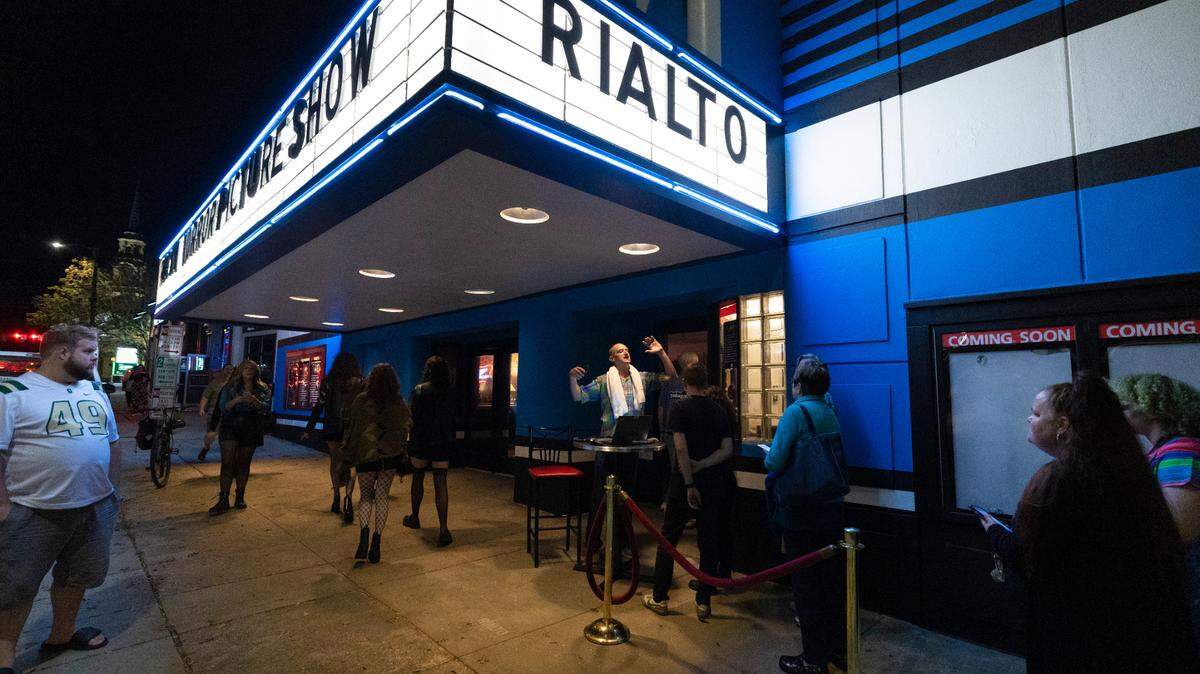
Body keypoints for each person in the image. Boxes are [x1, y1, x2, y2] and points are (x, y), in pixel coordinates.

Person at [978, 374, 1197, 672]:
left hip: (1075, 629)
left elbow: (1178, 533)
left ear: (1063, 425)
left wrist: (996, 534)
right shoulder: (1119, 465)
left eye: (1037, 413)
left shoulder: (1058, 480)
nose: (1029, 418)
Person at [0, 324, 121, 670]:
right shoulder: (14, 392)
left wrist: (112, 493)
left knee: (77, 577)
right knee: (15, 586)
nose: (96, 357)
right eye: (89, 351)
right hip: (34, 510)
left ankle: (61, 635)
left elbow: (112, 442)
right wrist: (2, 505)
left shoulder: (94, 391)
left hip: (94, 508)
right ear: (62, 352)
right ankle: (5, 657)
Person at [767, 354, 847, 674]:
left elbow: (774, 462)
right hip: (832, 507)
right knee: (830, 583)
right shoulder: (830, 410)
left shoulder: (795, 413)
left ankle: (813, 658)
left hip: (802, 511)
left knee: (806, 585)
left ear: (798, 383)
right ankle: (836, 649)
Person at [570, 337, 677, 569]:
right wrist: (572, 378)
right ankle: (593, 546)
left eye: (627, 350)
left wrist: (661, 354)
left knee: (626, 498)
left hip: (632, 446)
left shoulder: (642, 377)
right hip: (608, 445)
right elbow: (579, 397)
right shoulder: (603, 381)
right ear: (612, 358)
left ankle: (622, 545)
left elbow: (672, 378)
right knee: (600, 497)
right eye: (620, 351)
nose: (626, 353)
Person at [642, 362, 735, 621]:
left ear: (685, 383)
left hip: (682, 483)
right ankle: (704, 601)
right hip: (713, 482)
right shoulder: (719, 410)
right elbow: (727, 450)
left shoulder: (680, 408)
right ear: (706, 383)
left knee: (668, 538)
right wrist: (704, 464)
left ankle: (660, 597)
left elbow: (681, 449)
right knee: (708, 541)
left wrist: (689, 481)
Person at [1113, 373, 1200, 646]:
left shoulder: (1179, 451)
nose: (1119, 414)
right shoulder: (1167, 449)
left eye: (1125, 406)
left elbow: (1182, 530)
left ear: (1151, 409)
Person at [341, 363, 411, 563]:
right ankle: (377, 542)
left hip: (366, 456)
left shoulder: (362, 401)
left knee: (365, 498)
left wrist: (348, 455)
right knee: (382, 497)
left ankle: (363, 535)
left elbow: (353, 430)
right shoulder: (399, 403)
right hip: (389, 457)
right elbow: (404, 429)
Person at [302, 353, 363, 523]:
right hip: (352, 428)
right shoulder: (361, 382)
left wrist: (309, 428)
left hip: (332, 427)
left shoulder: (328, 382)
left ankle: (336, 497)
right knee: (351, 463)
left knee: (335, 461)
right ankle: (348, 498)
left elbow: (319, 405)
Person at [403, 356, 456, 547]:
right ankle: (443, 529)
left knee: (417, 478)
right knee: (441, 483)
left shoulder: (419, 390)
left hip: (421, 440)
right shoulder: (450, 391)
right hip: (442, 441)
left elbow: (412, 416)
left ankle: (415, 517)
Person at [208, 359, 271, 515]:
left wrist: (255, 401)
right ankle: (223, 499)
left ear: (256, 371)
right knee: (227, 463)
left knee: (243, 463)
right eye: (246, 368)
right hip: (231, 426)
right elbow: (222, 407)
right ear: (240, 370)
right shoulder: (229, 387)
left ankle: (240, 496)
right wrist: (236, 400)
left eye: (252, 368)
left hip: (250, 427)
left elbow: (265, 409)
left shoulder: (263, 388)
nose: (248, 370)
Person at [657, 352, 700, 506]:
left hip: (670, 432)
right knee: (684, 466)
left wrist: (662, 430)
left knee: (674, 466)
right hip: (687, 433)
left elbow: (661, 408)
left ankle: (670, 501)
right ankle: (679, 502)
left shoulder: (669, 384)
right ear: (689, 365)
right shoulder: (694, 385)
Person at [196, 364, 233, 462]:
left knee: (227, 435)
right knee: (211, 433)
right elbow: (205, 397)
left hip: (229, 412)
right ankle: (206, 448)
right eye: (227, 369)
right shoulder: (215, 383)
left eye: (231, 369)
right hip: (215, 411)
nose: (229, 371)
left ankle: (226, 455)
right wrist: (202, 408)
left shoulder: (234, 384)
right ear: (222, 370)